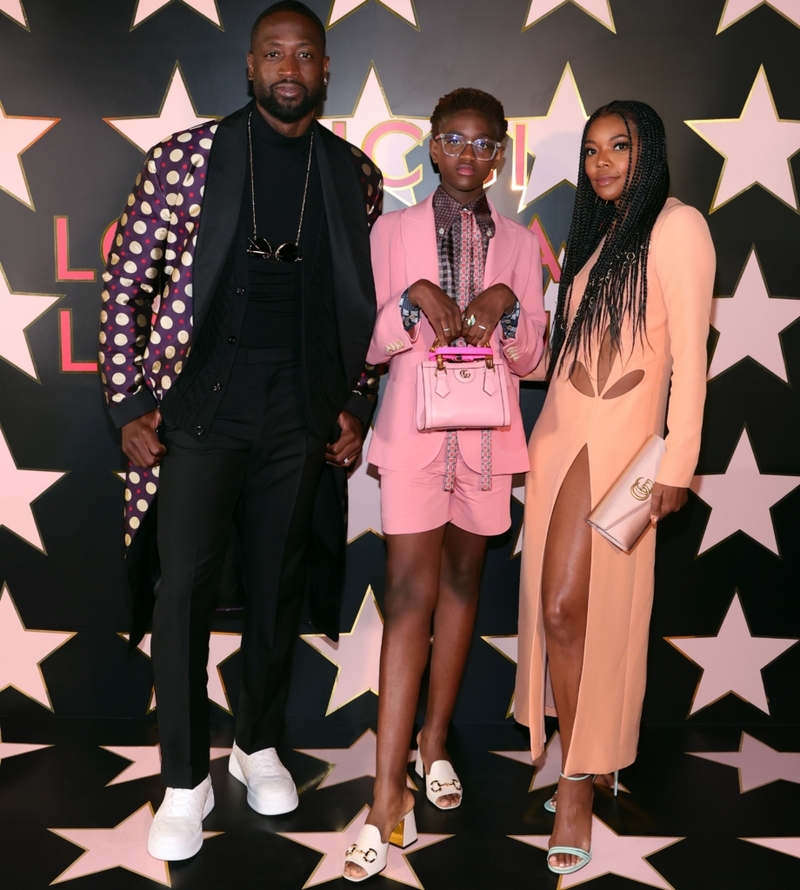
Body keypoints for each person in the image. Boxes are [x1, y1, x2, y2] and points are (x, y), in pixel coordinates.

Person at [99, 2, 382, 862]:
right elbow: (124, 283)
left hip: (298, 414)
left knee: (276, 587)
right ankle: (184, 778)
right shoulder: (188, 158)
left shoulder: (352, 173)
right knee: (179, 592)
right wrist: (126, 404)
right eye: (273, 53)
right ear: (251, 66)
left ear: (326, 70)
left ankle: (257, 743)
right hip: (199, 410)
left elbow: (357, 306)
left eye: (305, 54)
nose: (289, 67)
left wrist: (353, 399)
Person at [343, 88, 546, 882]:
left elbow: (532, 358)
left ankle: (434, 746)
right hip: (414, 437)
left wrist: (503, 310)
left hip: (489, 441)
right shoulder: (390, 231)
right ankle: (384, 795)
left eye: (485, 142)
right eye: (454, 139)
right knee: (407, 598)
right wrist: (411, 301)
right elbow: (367, 341)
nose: (469, 153)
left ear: (501, 152)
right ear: (430, 146)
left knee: (465, 581)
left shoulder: (524, 243)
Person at [515, 100, 715, 875]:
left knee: (589, 609)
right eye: (592, 150)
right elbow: (565, 359)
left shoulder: (678, 226)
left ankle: (577, 776)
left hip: (633, 457)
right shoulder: (596, 242)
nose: (601, 161)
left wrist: (678, 464)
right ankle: (582, 754)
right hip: (561, 443)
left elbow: (691, 360)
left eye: (619, 147)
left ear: (650, 151)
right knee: (560, 610)